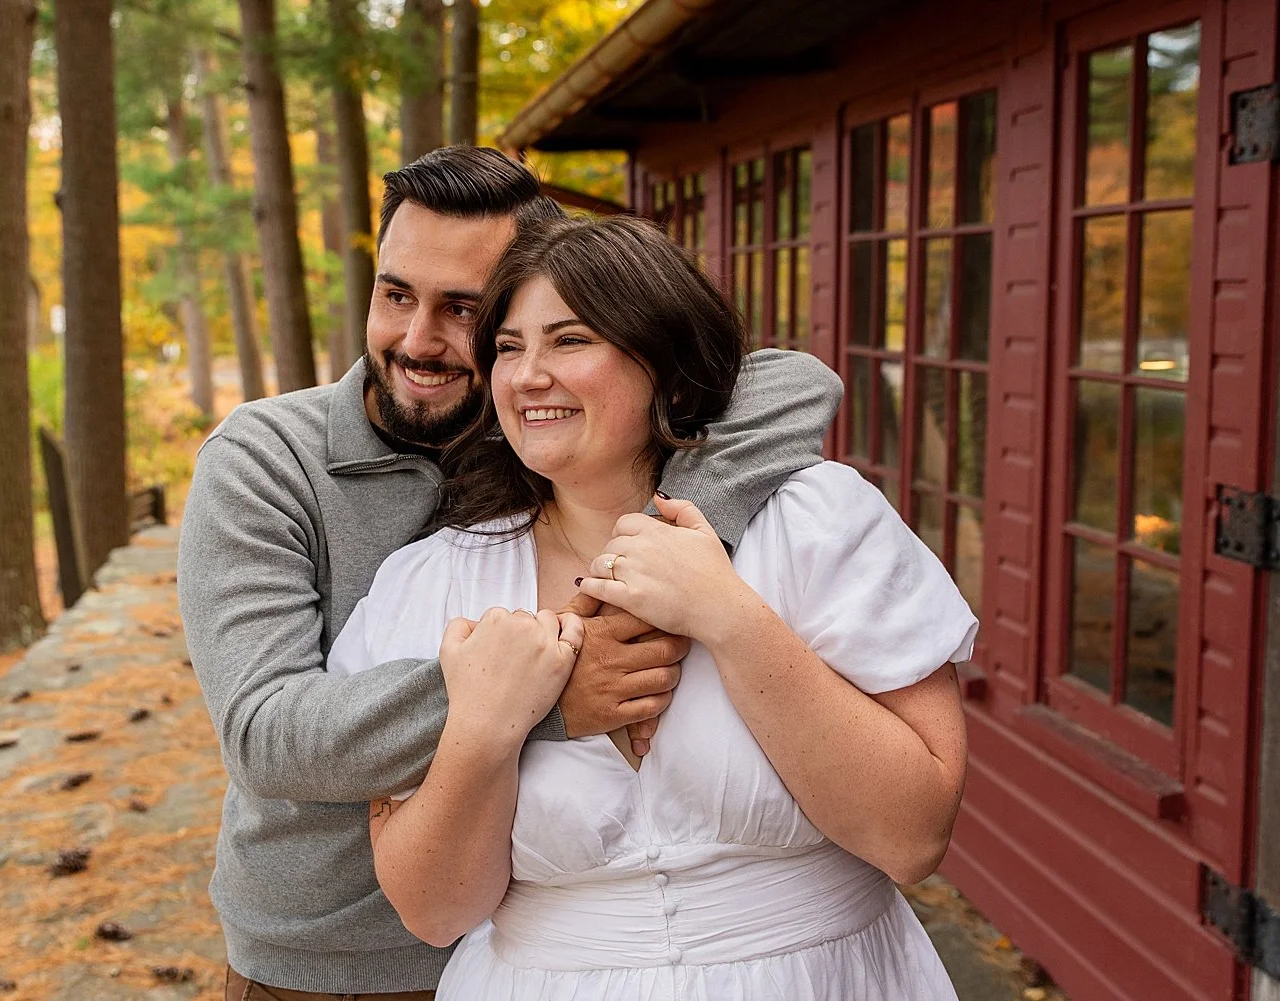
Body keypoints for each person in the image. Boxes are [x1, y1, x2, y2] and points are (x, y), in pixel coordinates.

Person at [177, 146, 844, 1000]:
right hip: (340, 960)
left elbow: (794, 380)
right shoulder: (268, 461)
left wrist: (658, 540)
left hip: (542, 948)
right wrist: (546, 690)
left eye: (464, 308)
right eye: (395, 295)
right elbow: (269, 736)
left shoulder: (544, 427)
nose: (417, 340)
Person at [334, 214, 978, 1000]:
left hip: (825, 975)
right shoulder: (430, 583)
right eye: (509, 346)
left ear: (667, 365)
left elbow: (914, 837)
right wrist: (483, 727)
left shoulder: (816, 522)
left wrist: (728, 616)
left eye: (570, 340)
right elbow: (433, 912)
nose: (528, 374)